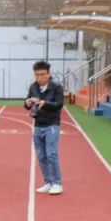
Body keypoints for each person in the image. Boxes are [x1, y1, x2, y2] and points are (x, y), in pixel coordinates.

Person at [26, 61, 64, 195]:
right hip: (37, 124)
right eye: (37, 75)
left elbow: (59, 104)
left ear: (48, 74)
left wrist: (45, 103)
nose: (39, 77)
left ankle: (57, 183)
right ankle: (48, 182)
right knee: (41, 155)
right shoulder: (33, 87)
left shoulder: (56, 87)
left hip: (52, 124)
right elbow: (27, 104)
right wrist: (28, 103)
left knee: (51, 154)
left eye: (42, 74)